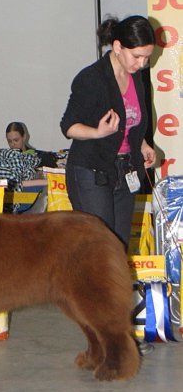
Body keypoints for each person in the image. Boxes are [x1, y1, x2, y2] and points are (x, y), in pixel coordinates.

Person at [60, 14, 156, 249]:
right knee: (100, 249)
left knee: (119, 247)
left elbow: (132, 119)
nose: (142, 64)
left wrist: (141, 144)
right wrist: (97, 132)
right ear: (117, 47)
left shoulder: (138, 77)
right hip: (91, 171)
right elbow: (69, 126)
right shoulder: (91, 78)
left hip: (124, 170)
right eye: (137, 56)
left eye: (147, 57)